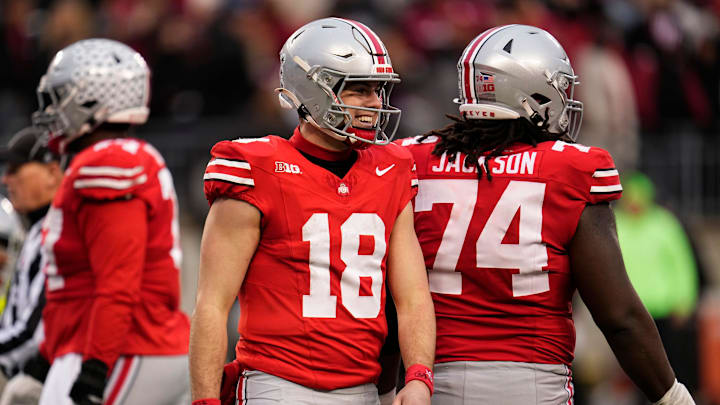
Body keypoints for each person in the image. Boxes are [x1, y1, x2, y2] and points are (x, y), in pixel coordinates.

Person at [399, 24, 694, 405]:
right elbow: (619, 316)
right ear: (529, 91)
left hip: (427, 378)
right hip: (530, 380)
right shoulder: (571, 169)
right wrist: (672, 396)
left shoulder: (410, 158)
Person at [189, 17, 436, 405]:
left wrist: (419, 375)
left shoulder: (392, 168)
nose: (375, 103)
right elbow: (212, 303)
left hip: (365, 389)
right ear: (312, 90)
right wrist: (205, 400)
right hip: (280, 385)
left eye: (377, 90)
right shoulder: (254, 167)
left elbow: (413, 295)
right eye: (357, 90)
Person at [31, 38, 190, 405]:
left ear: (91, 99)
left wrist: (95, 368)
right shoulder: (117, 156)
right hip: (113, 343)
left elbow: (117, 281)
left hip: (123, 347)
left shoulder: (109, 161)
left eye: (59, 97)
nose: (51, 111)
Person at [0, 126, 62, 405]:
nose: (6, 179)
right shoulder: (38, 229)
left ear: (52, 172)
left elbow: (34, 331)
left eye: (16, 169)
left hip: (43, 372)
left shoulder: (57, 227)